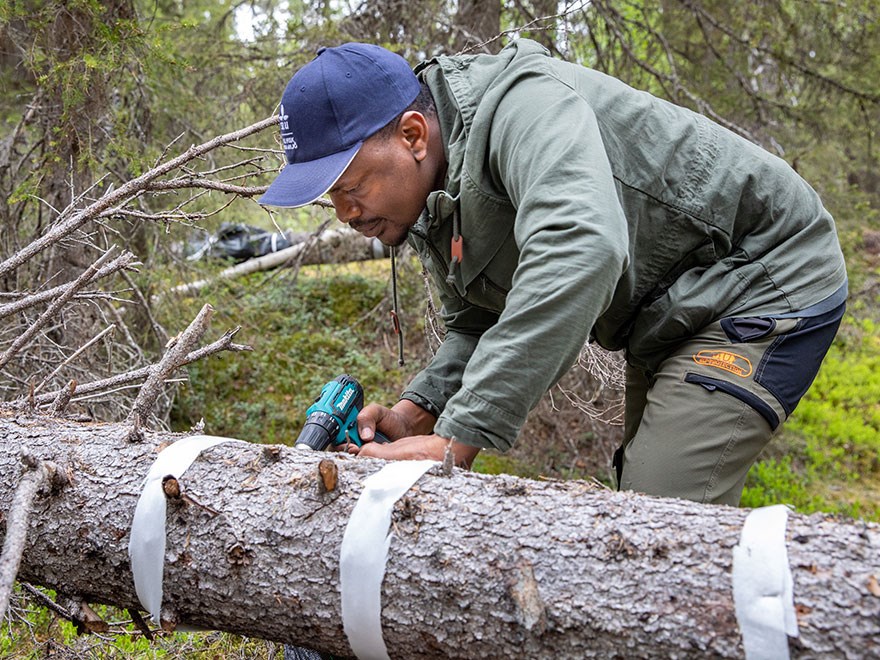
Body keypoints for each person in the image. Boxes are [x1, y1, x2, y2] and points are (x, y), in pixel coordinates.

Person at [260, 40, 847, 505]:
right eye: (331, 198)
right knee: (648, 502)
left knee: (660, 513)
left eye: (352, 187)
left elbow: (583, 248)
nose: (345, 213)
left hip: (763, 277)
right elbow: (480, 320)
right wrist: (421, 407)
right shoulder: (433, 192)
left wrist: (456, 438)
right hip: (676, 307)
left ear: (412, 135)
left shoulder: (522, 107)